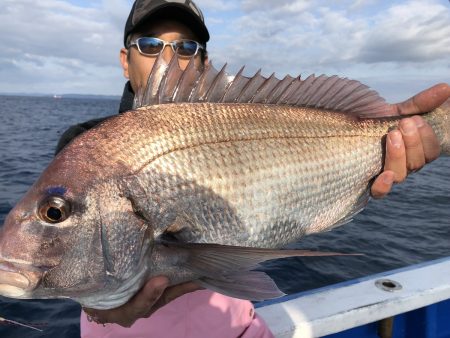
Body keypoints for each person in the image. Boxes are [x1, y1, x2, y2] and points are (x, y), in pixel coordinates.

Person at [55, 0, 450, 336]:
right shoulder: (84, 149)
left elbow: (293, 201)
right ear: (126, 60)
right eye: (150, 43)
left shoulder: (243, 119)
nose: (169, 57)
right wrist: (101, 310)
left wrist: (392, 145)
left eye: (187, 47)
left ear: (205, 62)